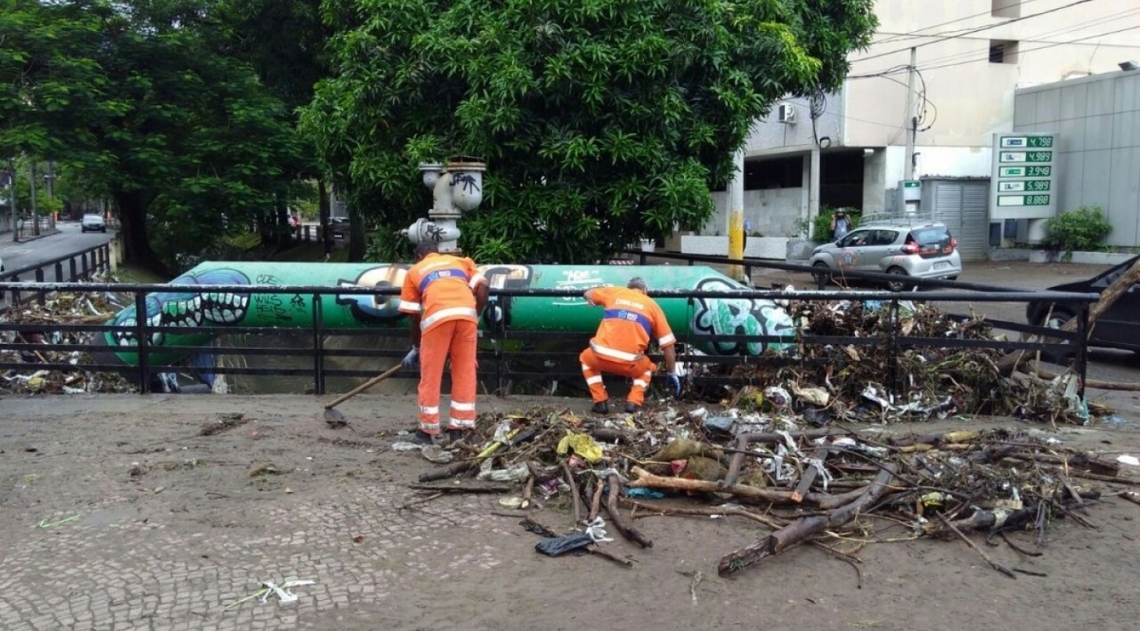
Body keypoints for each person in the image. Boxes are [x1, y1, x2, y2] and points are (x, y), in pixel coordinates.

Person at [398, 242, 489, 444]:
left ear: (419, 256)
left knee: (431, 374)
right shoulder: (460, 261)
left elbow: (412, 316)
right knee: (465, 371)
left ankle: (427, 431)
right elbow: (483, 287)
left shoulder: (414, 271)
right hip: (467, 317)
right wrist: (475, 315)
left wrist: (416, 348)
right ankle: (460, 429)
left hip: (436, 320)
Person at [579, 277, 681, 414]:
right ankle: (633, 402)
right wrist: (672, 372)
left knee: (586, 360)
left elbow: (588, 294)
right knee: (647, 369)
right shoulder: (652, 305)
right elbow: (668, 345)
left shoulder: (615, 292)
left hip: (599, 356)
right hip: (630, 363)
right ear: (645, 291)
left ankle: (600, 401)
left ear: (628, 288)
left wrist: (597, 291)